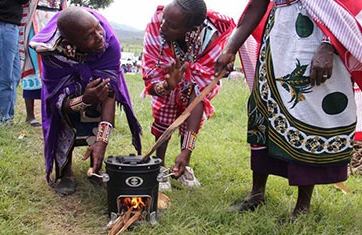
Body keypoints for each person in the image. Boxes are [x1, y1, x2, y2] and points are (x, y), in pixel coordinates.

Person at [215, 0, 362, 219]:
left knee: (308, 115)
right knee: (262, 113)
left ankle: (302, 207)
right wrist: (230, 48)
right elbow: (257, 4)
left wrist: (328, 43)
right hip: (277, 36)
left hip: (315, 39)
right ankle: (257, 193)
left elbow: (345, 4)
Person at [29, 6, 142, 195]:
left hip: (94, 86)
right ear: (71, 43)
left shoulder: (109, 41)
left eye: (98, 28)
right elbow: (56, 101)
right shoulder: (52, 53)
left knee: (99, 97)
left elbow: (110, 95)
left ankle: (95, 164)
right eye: (89, 36)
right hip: (68, 93)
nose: (99, 37)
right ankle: (66, 172)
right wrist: (83, 100)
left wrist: (102, 140)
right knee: (63, 114)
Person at [141, 0, 235, 191]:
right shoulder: (156, 24)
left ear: (191, 28)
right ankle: (159, 164)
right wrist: (168, 85)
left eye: (172, 25)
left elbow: (199, 97)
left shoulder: (212, 40)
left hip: (196, 87)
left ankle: (183, 163)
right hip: (167, 80)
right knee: (165, 111)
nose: (163, 26)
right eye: (164, 19)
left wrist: (187, 151)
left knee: (192, 112)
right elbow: (150, 76)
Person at [19, 0, 68, 127]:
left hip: (54, 30)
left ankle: (54, 115)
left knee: (54, 69)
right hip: (34, 28)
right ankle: (30, 115)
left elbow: (64, 11)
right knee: (34, 69)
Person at [0, 0, 30, 124]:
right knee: (5, 76)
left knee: (13, 76)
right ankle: (0, 119)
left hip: (9, 24)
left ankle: (6, 117)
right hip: (4, 23)